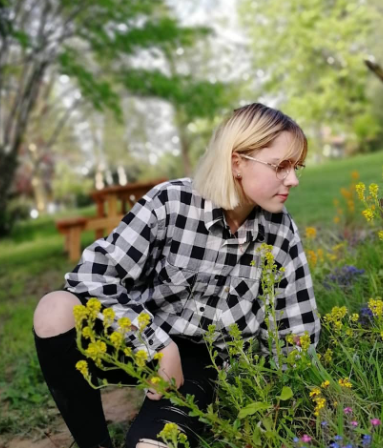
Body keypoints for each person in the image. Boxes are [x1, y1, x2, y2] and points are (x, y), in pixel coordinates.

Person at [33, 103, 321, 448]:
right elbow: (91, 275)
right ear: (237, 161)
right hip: (136, 337)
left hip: (201, 363)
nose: (293, 179)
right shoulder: (171, 202)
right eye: (281, 166)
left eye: (296, 167)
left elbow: (295, 329)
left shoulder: (280, 231)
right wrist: (157, 344)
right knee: (54, 309)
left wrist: (285, 406)